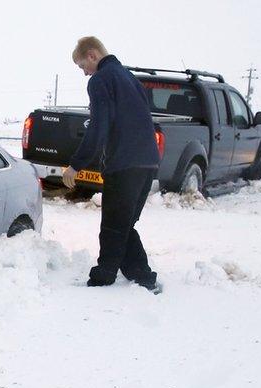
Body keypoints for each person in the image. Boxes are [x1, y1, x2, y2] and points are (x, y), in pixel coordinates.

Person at [62, 36, 162, 294]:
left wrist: (76, 165)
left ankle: (102, 278)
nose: (84, 73)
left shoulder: (101, 80)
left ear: (92, 55)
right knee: (124, 223)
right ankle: (142, 275)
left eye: (83, 66)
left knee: (113, 225)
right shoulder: (129, 78)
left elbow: (98, 127)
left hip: (124, 163)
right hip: (148, 161)